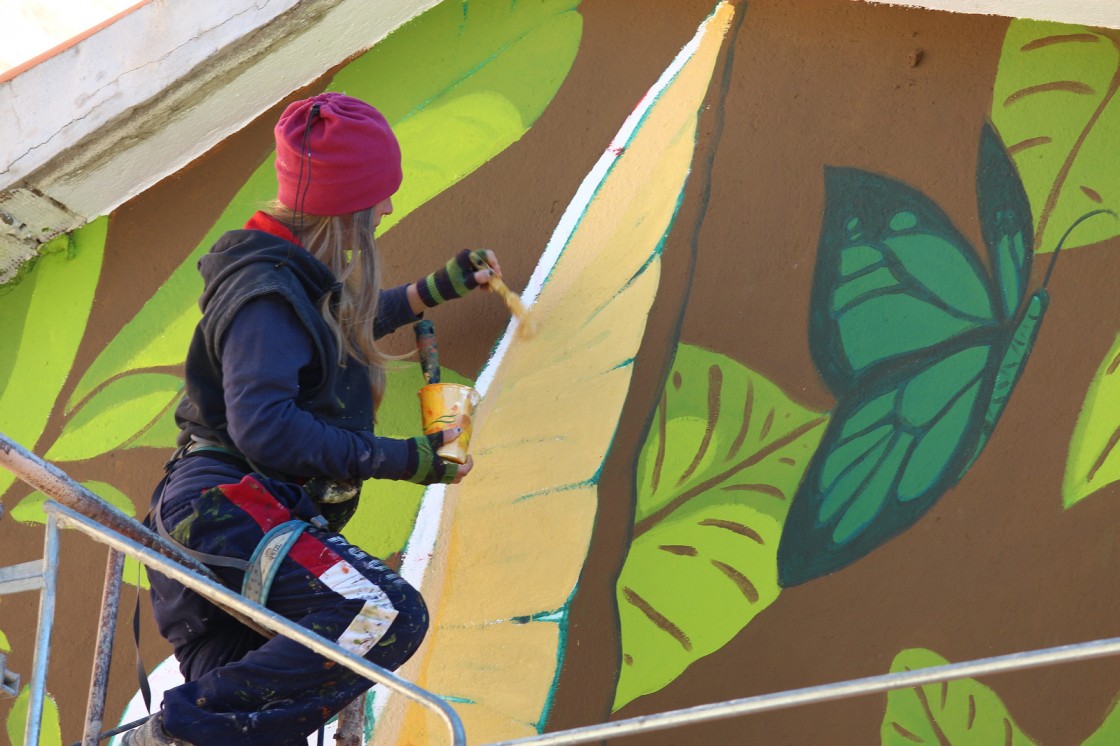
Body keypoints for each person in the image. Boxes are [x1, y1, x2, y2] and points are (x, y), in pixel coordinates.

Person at [125, 92, 500, 745]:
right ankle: (173, 734)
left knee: (252, 720)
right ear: (340, 209)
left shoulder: (282, 283)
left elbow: (332, 331)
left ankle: (175, 734)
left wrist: (431, 291)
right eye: (376, 198)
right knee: (379, 613)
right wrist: (408, 459)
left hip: (223, 527)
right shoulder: (265, 295)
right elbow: (264, 427)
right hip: (228, 510)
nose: (386, 207)